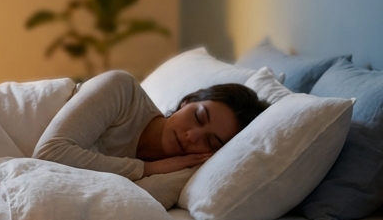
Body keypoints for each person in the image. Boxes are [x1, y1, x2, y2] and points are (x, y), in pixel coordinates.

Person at [33, 69, 269, 192]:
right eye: (198, 117)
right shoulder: (122, 90)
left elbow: (140, 200)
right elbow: (48, 155)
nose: (192, 136)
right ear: (187, 100)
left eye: (212, 143)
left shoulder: (185, 171)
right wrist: (146, 168)